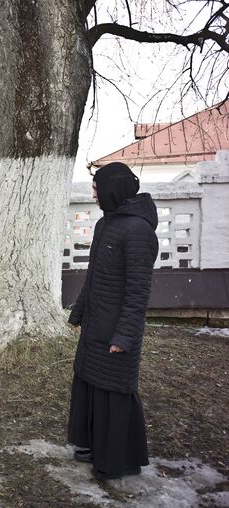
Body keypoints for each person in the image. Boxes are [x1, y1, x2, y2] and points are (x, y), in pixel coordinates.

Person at [67, 161, 159, 480]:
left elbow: (137, 293)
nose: (93, 194)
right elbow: (93, 277)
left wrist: (124, 337)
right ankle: (95, 446)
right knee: (92, 386)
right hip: (96, 323)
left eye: (96, 188)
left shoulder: (138, 231)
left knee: (115, 393)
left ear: (112, 188)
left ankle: (119, 460)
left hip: (117, 330)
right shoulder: (106, 224)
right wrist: (78, 314)